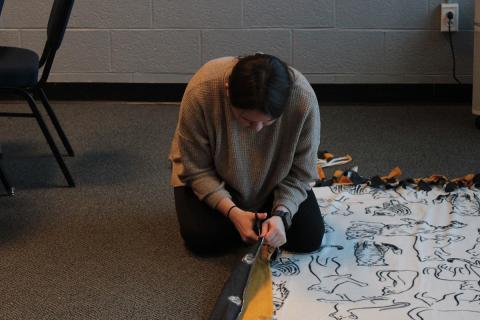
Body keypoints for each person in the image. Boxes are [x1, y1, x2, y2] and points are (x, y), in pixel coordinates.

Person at [169, 53, 325, 255]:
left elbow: (301, 174)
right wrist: (232, 212)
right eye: (247, 120)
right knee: (201, 238)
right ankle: (248, 220)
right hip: (216, 176)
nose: (258, 129)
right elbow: (196, 169)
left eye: (268, 122)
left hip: (274, 180)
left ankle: (256, 220)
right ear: (227, 92)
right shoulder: (201, 91)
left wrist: (281, 214)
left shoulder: (302, 99)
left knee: (308, 238)